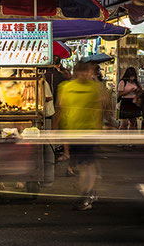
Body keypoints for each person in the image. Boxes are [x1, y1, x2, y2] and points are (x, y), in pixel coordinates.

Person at [57, 61, 105, 211]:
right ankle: (88, 192)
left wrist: (99, 130)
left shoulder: (95, 88)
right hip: (73, 131)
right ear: (75, 72)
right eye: (81, 72)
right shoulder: (65, 87)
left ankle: (87, 194)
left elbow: (100, 110)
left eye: (87, 72)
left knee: (86, 165)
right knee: (81, 165)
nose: (84, 75)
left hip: (88, 132)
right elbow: (61, 109)